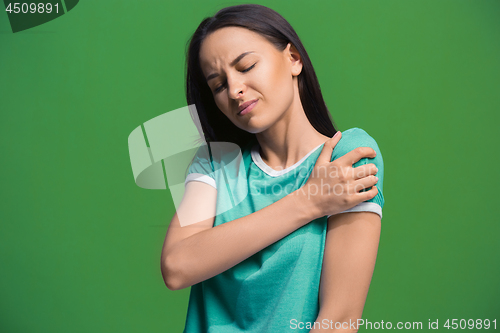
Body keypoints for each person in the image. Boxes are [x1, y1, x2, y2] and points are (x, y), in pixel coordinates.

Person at [161, 4, 385, 332]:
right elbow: (177, 265)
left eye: (247, 66)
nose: (235, 90)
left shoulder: (346, 156)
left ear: (293, 58)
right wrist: (308, 202)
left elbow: (338, 320)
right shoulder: (214, 164)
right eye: (219, 86)